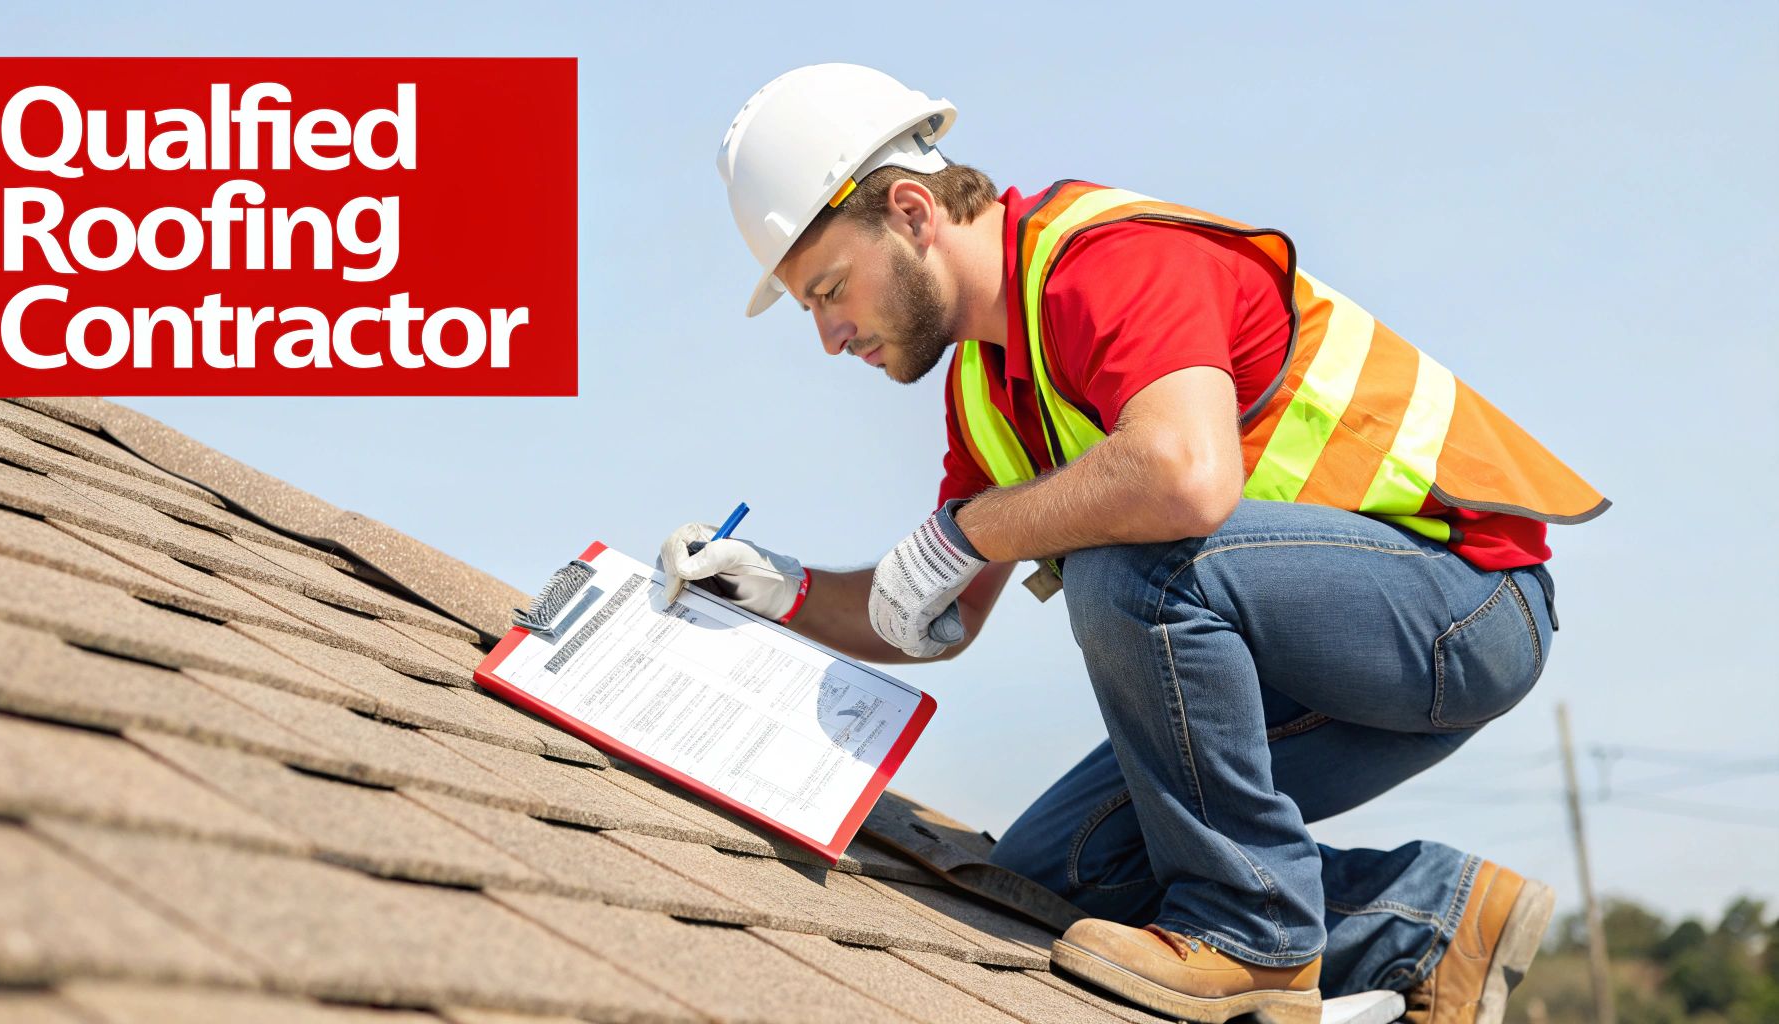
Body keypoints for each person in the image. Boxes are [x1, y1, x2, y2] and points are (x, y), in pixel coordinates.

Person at [660, 64, 1607, 1024]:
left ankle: (1254, 932)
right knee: (1056, 877)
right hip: (1324, 662)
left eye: (828, 289)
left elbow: (1182, 477)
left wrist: (969, 530)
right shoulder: (988, 394)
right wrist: (777, 593)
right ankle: (1429, 921)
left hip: (1467, 602)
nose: (827, 335)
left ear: (911, 212)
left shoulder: (1105, 262)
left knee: (1127, 557)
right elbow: (934, 612)